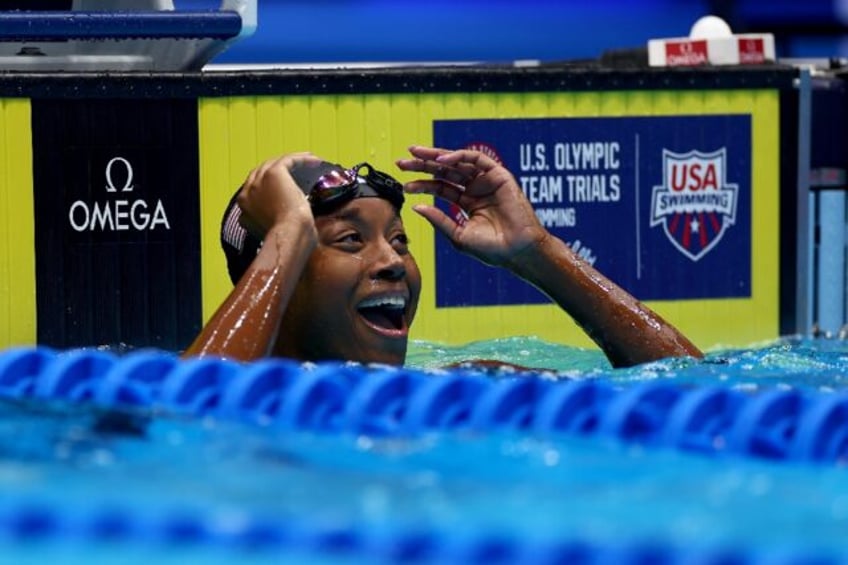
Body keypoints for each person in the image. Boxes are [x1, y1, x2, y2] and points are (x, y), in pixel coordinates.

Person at [183, 145, 703, 369]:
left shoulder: (457, 388)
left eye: (400, 240)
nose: (393, 263)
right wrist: (288, 231)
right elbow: (182, 419)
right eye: (350, 240)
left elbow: (688, 391)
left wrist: (539, 255)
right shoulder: (237, 406)